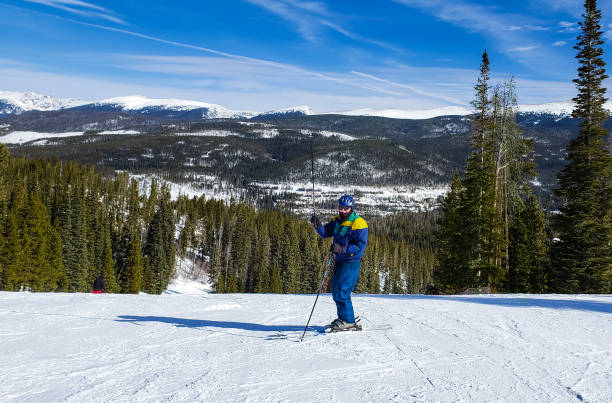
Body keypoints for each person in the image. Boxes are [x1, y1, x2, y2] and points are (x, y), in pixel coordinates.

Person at [311, 194, 368, 331]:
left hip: (351, 262)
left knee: (342, 291)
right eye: (341, 207)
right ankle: (344, 317)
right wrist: (317, 225)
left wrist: (342, 249)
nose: (343, 210)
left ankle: (349, 320)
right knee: (336, 291)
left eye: (346, 208)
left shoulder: (358, 223)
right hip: (339, 260)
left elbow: (360, 247)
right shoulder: (337, 221)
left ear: (351, 208)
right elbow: (325, 233)